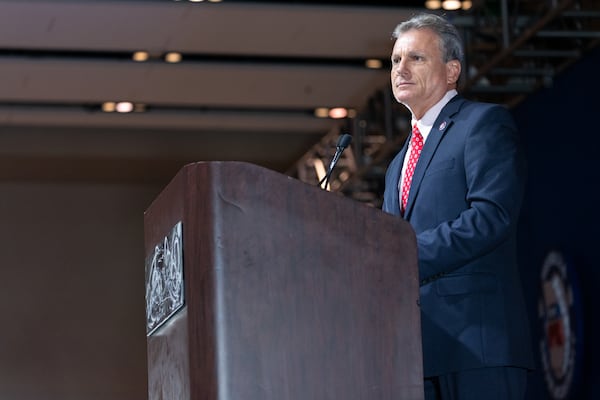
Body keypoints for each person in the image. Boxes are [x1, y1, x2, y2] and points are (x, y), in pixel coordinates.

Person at [382, 13, 534, 400]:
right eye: (396, 60)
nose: (401, 68)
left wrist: (404, 256)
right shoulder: (397, 163)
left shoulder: (482, 123)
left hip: (478, 345)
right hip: (414, 355)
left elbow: (491, 217)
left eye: (416, 58)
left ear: (452, 71)